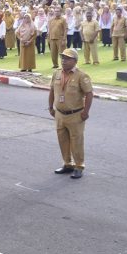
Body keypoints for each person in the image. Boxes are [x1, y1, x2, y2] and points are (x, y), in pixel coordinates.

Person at [48, 48, 93, 179]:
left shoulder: (81, 75)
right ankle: (67, 164)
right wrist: (51, 107)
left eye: (67, 58)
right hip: (60, 114)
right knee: (62, 140)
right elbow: (52, 91)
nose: (63, 61)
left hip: (75, 114)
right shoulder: (56, 74)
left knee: (76, 141)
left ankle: (79, 166)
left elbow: (89, 94)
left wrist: (86, 112)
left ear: (75, 61)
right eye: (62, 58)